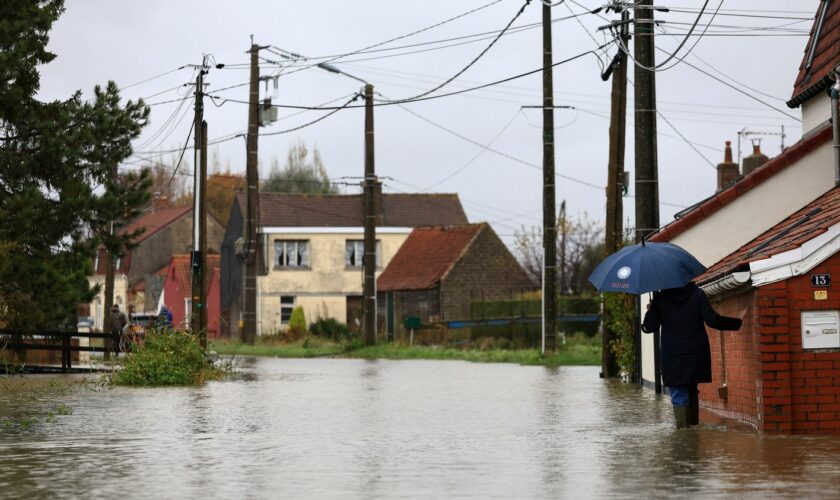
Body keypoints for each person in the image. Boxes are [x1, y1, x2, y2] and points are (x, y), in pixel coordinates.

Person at [642, 282, 743, 429]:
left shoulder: (661, 298)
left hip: (673, 355)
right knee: (691, 390)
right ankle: (692, 436)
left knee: (678, 393)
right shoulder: (697, 293)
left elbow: (649, 326)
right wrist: (737, 322)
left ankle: (683, 436)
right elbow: (712, 320)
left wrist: (650, 310)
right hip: (696, 353)